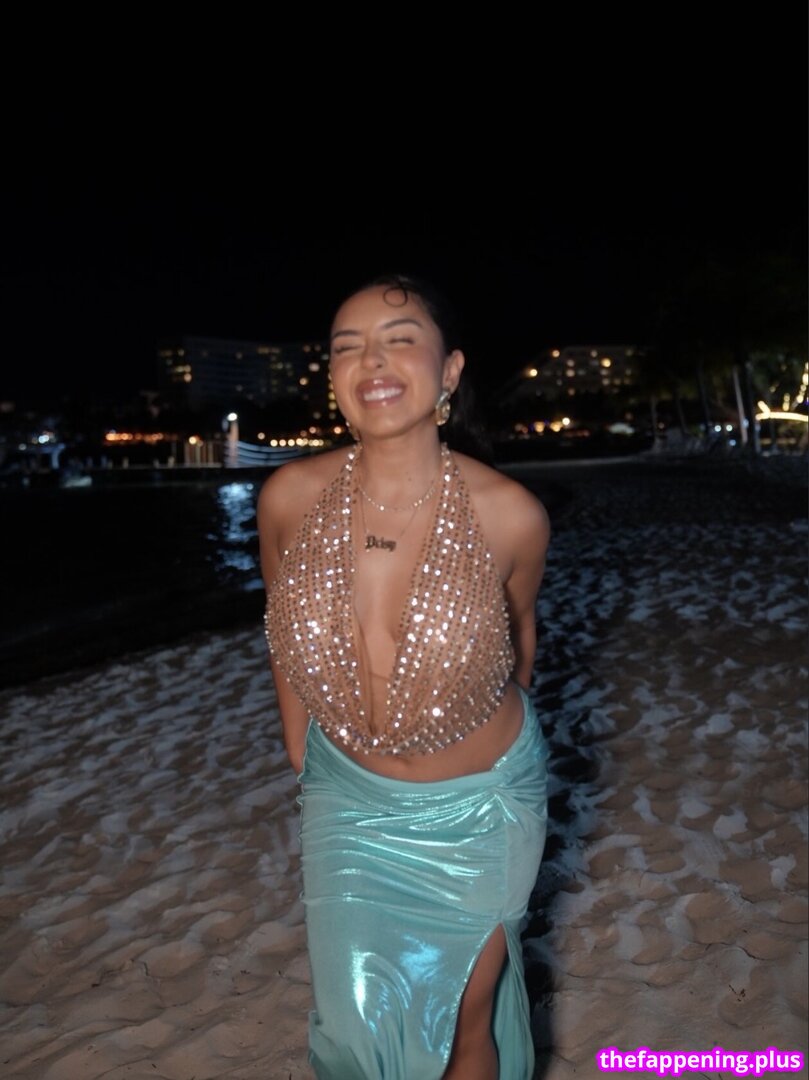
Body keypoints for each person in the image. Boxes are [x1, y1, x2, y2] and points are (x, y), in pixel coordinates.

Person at [258, 274, 550, 1080]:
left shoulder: (510, 513)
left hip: (480, 812)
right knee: (357, 1028)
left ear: (449, 370)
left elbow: (519, 641)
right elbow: (281, 624)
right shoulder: (288, 496)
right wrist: (298, 743)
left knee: (461, 1023)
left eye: (399, 339)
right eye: (346, 347)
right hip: (347, 800)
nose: (371, 361)